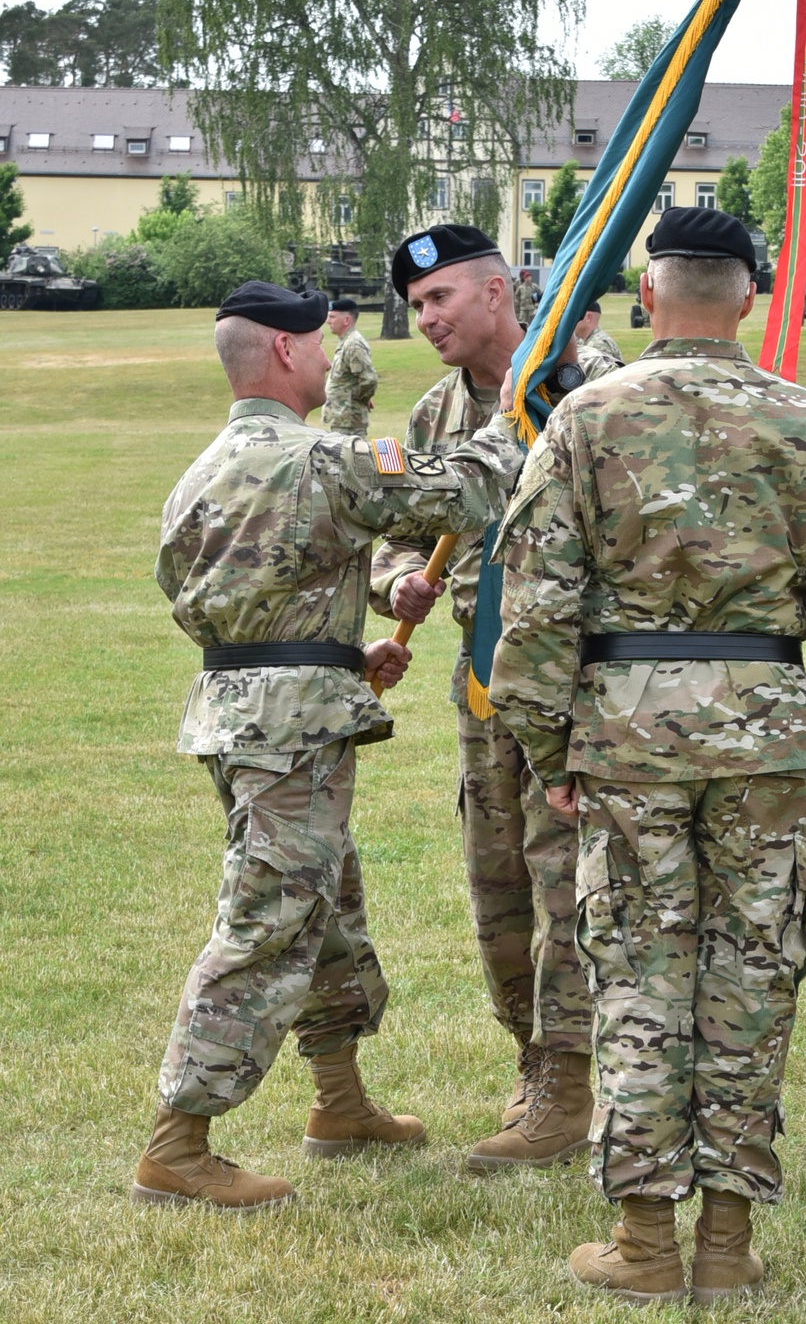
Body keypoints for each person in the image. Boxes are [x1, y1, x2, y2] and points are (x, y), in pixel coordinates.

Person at [489, 207, 806, 1305]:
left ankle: (643, 1239)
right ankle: (723, 1239)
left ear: (649, 291)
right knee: (749, 976)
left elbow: (533, 611)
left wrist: (545, 744)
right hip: (767, 734)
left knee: (637, 975)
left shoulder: (583, 418)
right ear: (748, 296)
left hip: (623, 734)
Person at [133, 279, 525, 1211]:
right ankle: (177, 1143)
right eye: (316, 344)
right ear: (283, 353)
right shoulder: (317, 459)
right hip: (294, 724)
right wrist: (513, 410)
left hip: (240, 710)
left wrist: (346, 645)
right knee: (269, 916)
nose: (326, 355)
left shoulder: (200, 472)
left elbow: (231, 593)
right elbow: (470, 489)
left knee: (328, 904)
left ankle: (340, 1105)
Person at [370, 225, 616, 1173]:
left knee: (570, 886)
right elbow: (393, 534)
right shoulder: (434, 415)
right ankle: (532, 1056)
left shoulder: (584, 385)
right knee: (498, 881)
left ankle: (570, 1078)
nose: (424, 319)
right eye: (415, 306)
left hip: (572, 688)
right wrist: (399, 585)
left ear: (498, 292)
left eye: (438, 300)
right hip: (481, 693)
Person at [320, 297, 378, 434]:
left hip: (349, 418)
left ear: (346, 320)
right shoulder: (346, 342)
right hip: (342, 417)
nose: (328, 321)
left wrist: (359, 399)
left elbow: (368, 380)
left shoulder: (354, 345)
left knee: (349, 455)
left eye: (332, 317)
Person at [575, 299, 625, 365]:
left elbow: (604, 373)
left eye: (575, 316)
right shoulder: (590, 340)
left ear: (588, 317)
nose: (571, 321)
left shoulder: (598, 345)